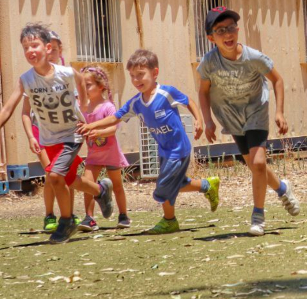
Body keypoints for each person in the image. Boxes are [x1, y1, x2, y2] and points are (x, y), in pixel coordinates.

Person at [80, 49, 221, 234]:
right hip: (164, 150)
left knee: (163, 187)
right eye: (132, 76)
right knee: (177, 184)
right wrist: (91, 126)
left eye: (141, 74)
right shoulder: (136, 103)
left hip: (179, 149)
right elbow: (115, 118)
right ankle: (207, 185)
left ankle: (169, 220)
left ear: (155, 73)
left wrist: (199, 120)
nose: (137, 80)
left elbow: (189, 101)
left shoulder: (166, 93)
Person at [0, 23, 114, 243]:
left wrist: (83, 105)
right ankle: (100, 190)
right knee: (70, 180)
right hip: (48, 137)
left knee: (54, 176)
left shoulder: (66, 73)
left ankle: (67, 221)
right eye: (25, 47)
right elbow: (8, 108)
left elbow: (81, 81)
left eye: (34, 45)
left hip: (72, 134)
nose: (30, 51)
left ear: (48, 47)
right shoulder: (26, 80)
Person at [197, 7, 299, 236]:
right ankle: (282, 188)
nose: (227, 34)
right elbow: (203, 91)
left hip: (256, 110)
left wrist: (280, 112)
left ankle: (258, 216)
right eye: (220, 30)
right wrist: (208, 121)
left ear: (238, 30)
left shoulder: (253, 57)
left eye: (231, 28)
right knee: (255, 166)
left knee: (259, 163)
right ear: (211, 38)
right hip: (230, 114)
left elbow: (278, 79)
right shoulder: (209, 63)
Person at [21, 30, 70, 233]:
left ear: (57, 51)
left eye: (54, 49)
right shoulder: (30, 79)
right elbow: (25, 111)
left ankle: (70, 213)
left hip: (63, 132)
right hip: (40, 132)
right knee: (51, 173)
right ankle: (50, 215)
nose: (49, 54)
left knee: (64, 176)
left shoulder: (65, 75)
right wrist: (31, 136)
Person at [77, 66, 131, 231]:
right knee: (87, 184)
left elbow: (113, 129)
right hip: (93, 155)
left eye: (88, 85)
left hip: (111, 154)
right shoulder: (82, 108)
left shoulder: (108, 107)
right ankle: (89, 218)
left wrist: (97, 131)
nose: (84, 89)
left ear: (101, 86)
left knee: (117, 185)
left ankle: (123, 215)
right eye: (82, 85)